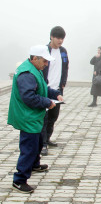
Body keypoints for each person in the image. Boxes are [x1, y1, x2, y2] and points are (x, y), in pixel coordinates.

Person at [8, 45, 63, 193]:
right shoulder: (26, 74)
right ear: (34, 58)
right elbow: (29, 97)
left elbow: (42, 88)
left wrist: (54, 94)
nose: (46, 64)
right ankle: (19, 180)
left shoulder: (35, 69)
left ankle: (35, 164)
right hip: (27, 116)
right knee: (29, 148)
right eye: (44, 61)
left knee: (38, 141)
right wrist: (47, 102)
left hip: (34, 115)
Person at [40, 26, 69, 156]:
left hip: (57, 90)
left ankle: (48, 138)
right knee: (44, 117)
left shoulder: (63, 51)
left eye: (62, 38)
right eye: (58, 37)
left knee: (53, 116)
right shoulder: (45, 51)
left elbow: (66, 67)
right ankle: (42, 144)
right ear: (51, 37)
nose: (60, 40)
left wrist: (63, 83)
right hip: (45, 89)